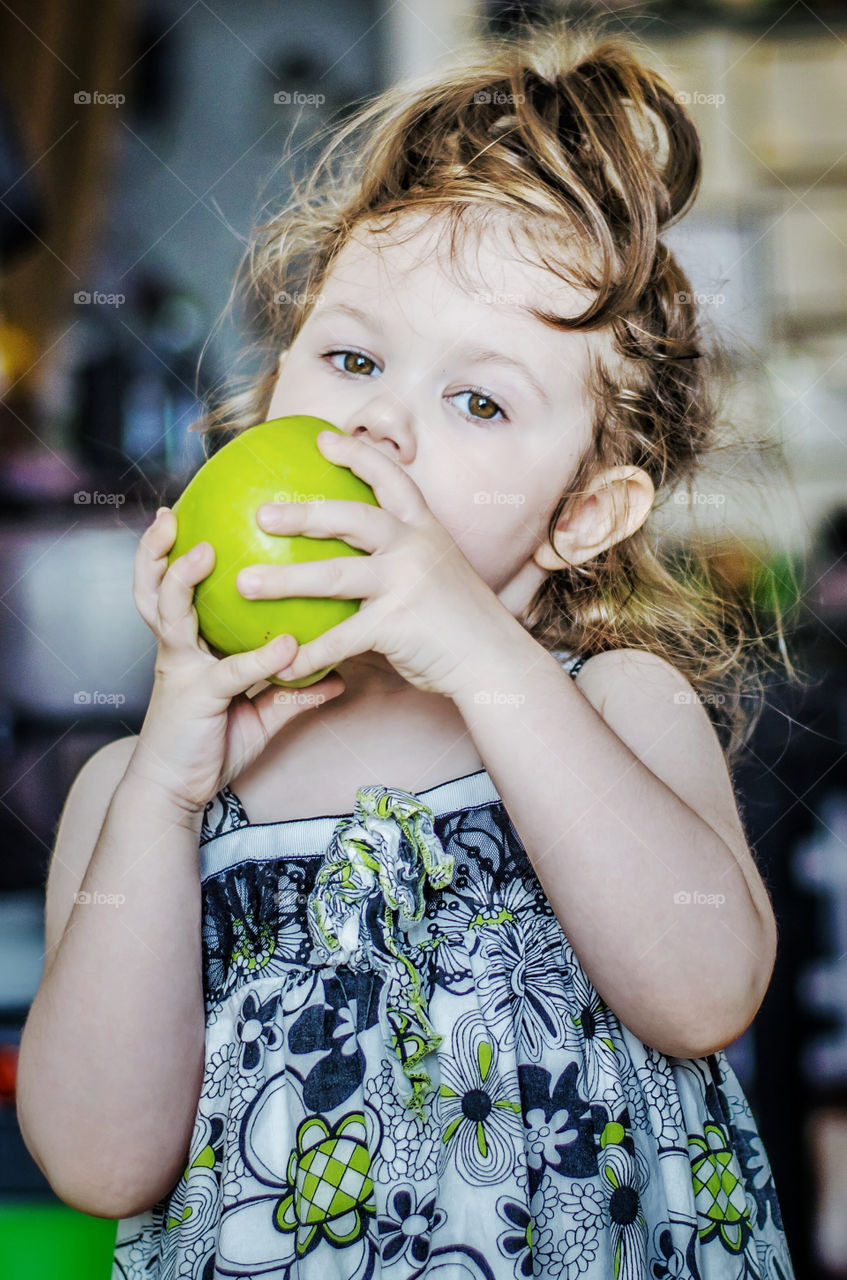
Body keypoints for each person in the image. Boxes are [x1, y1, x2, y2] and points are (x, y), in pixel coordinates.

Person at [17, 13, 799, 1279]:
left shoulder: (612, 706)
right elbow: (101, 1163)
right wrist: (165, 788)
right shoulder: (140, 793)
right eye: (353, 356)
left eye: (478, 399)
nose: (380, 423)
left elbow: (705, 990)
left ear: (581, 514)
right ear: (274, 394)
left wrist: (483, 660)